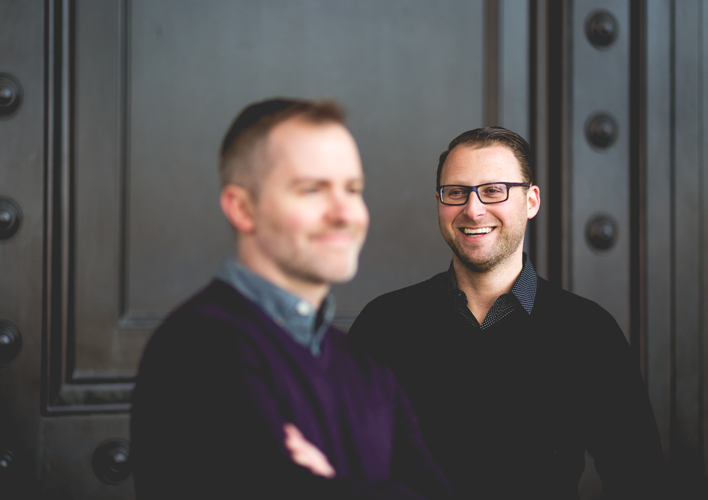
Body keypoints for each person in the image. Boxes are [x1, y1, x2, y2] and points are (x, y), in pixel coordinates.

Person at [130, 98, 452, 499]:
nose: (344, 212)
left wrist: (328, 488)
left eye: (352, 189)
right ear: (243, 209)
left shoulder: (367, 369)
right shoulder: (198, 347)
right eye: (312, 189)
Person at [348, 126, 666, 499]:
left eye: (494, 190)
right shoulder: (385, 323)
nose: (473, 209)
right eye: (456, 192)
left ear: (531, 201)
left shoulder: (589, 331)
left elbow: (640, 478)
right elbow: (345, 464)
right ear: (439, 202)